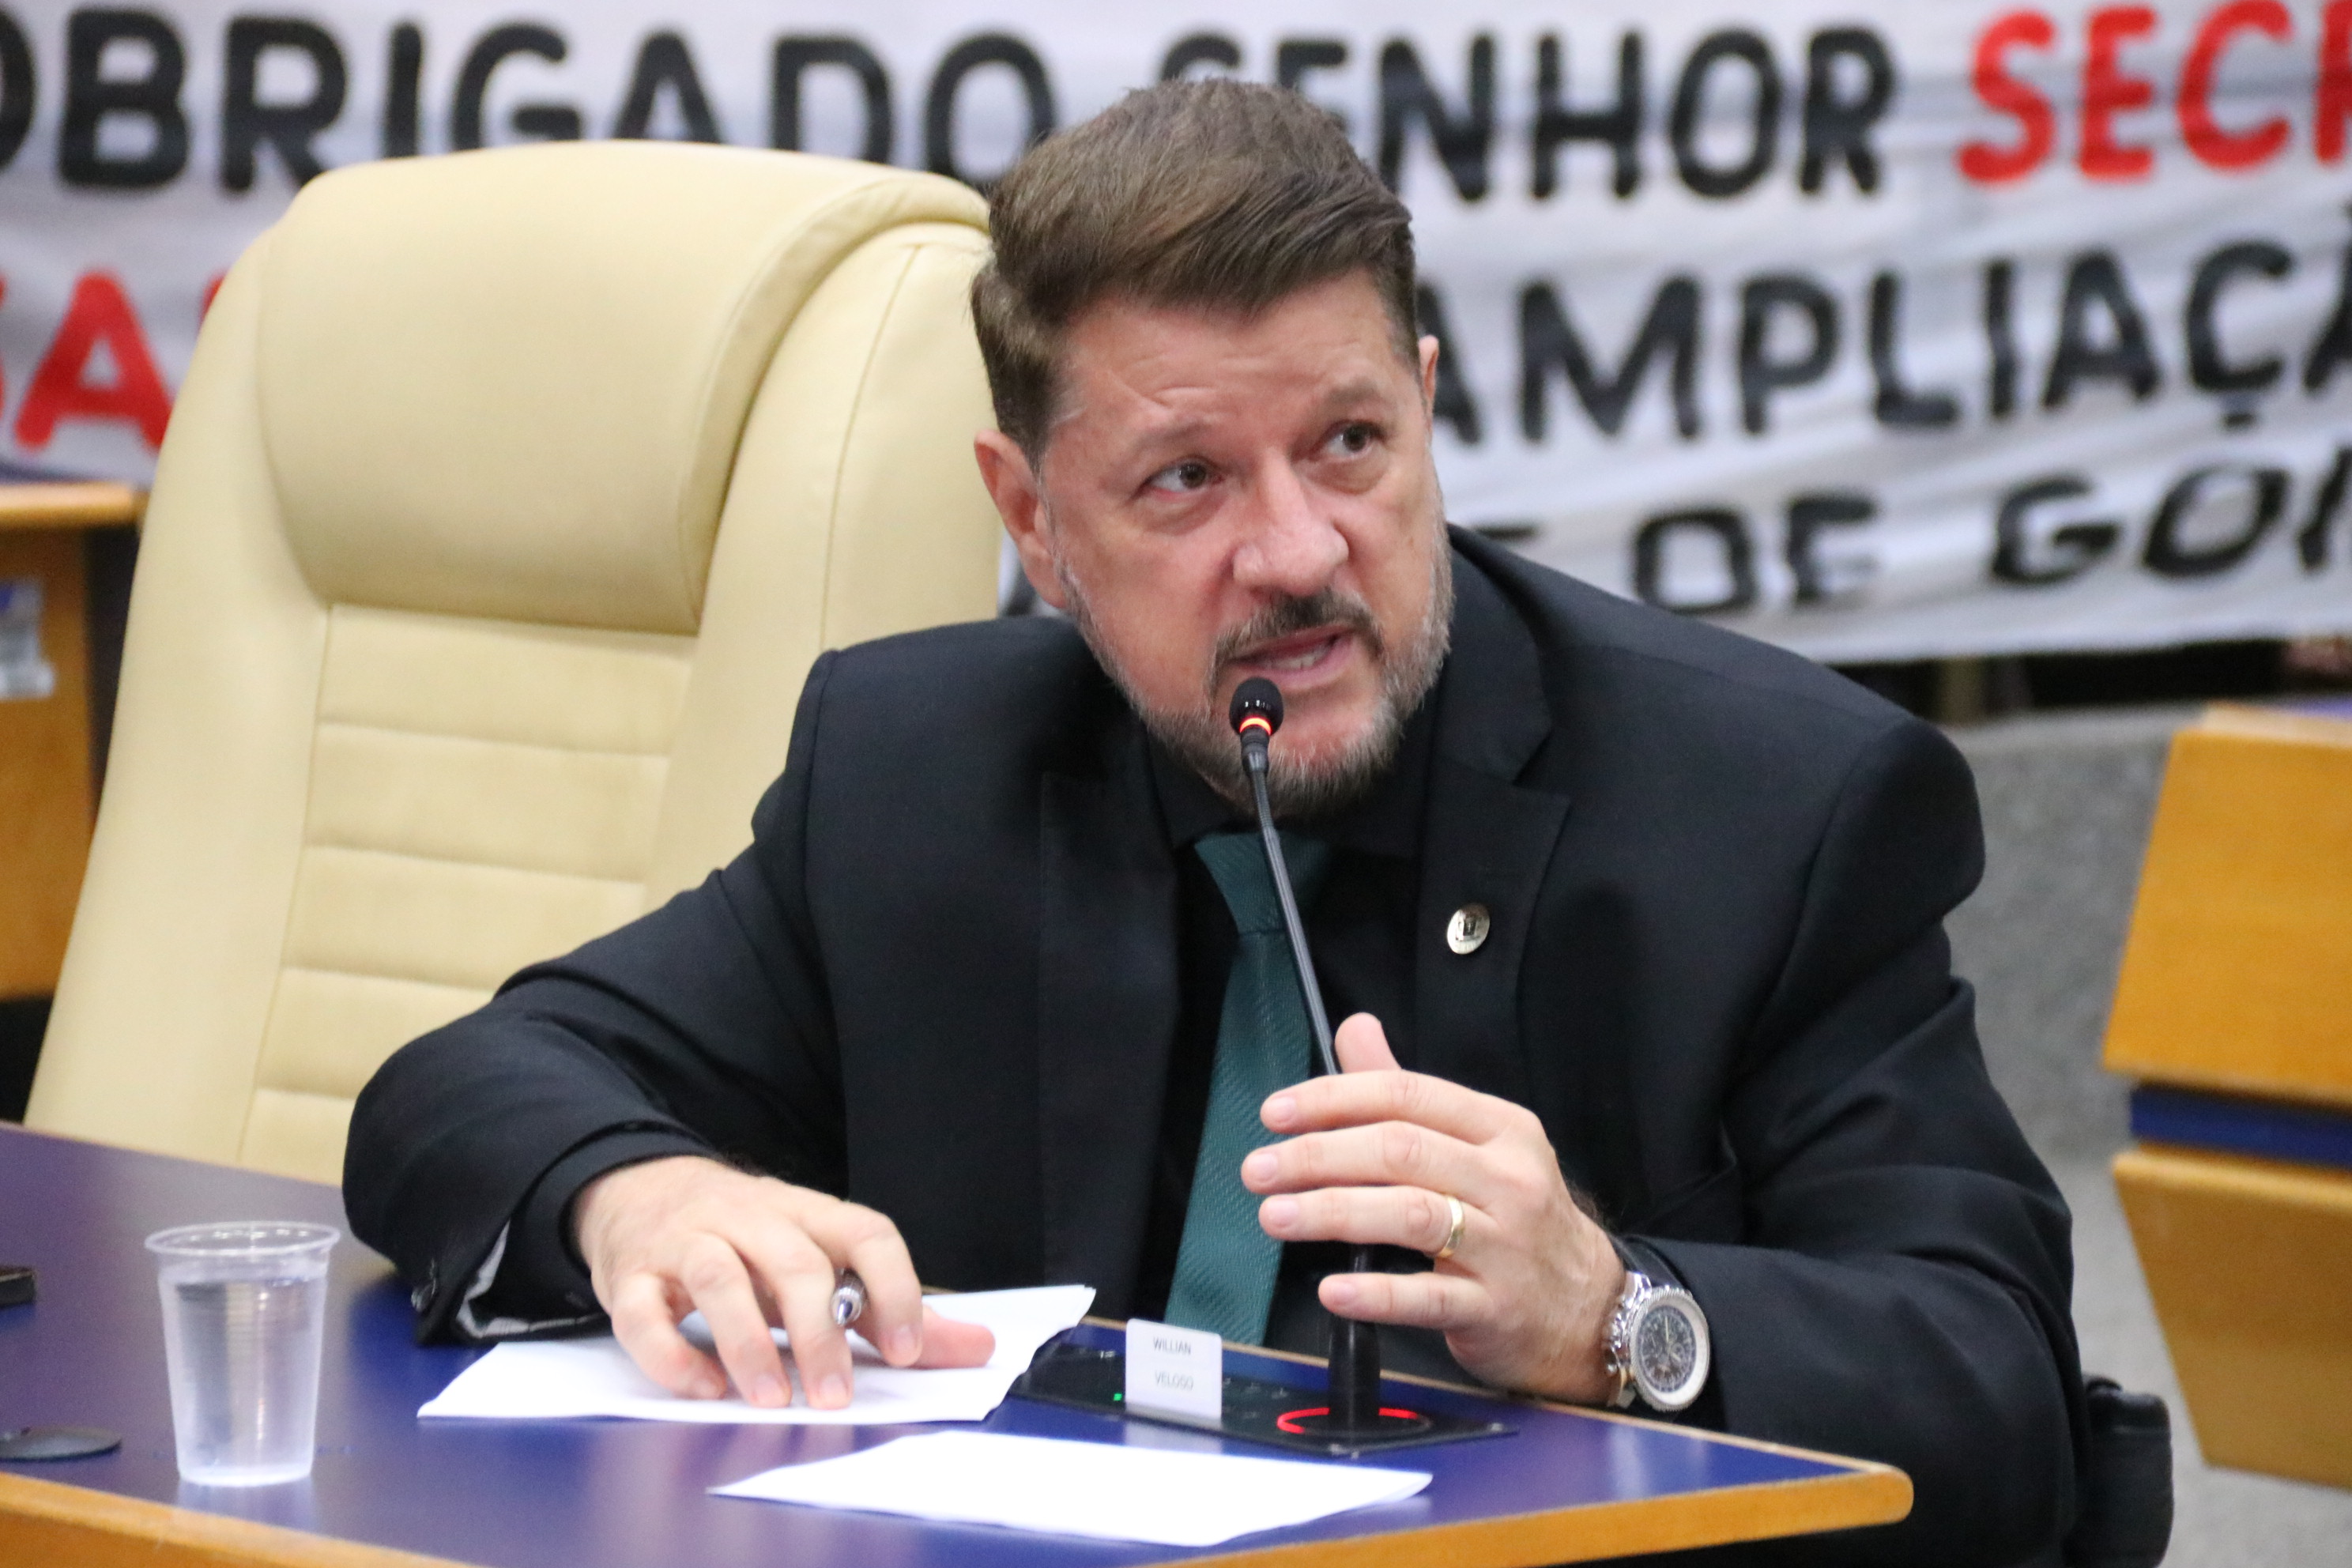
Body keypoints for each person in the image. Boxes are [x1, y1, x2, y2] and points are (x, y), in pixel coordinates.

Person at [346, 80, 2083, 1565]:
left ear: (1425, 404)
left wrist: (1614, 1312)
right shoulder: (917, 767)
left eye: (1350, 445)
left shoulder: (1768, 803)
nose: (1300, 553)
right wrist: (635, 1194)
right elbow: (471, 1087)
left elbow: (2000, 1389)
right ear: (1034, 519)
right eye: (1188, 480)